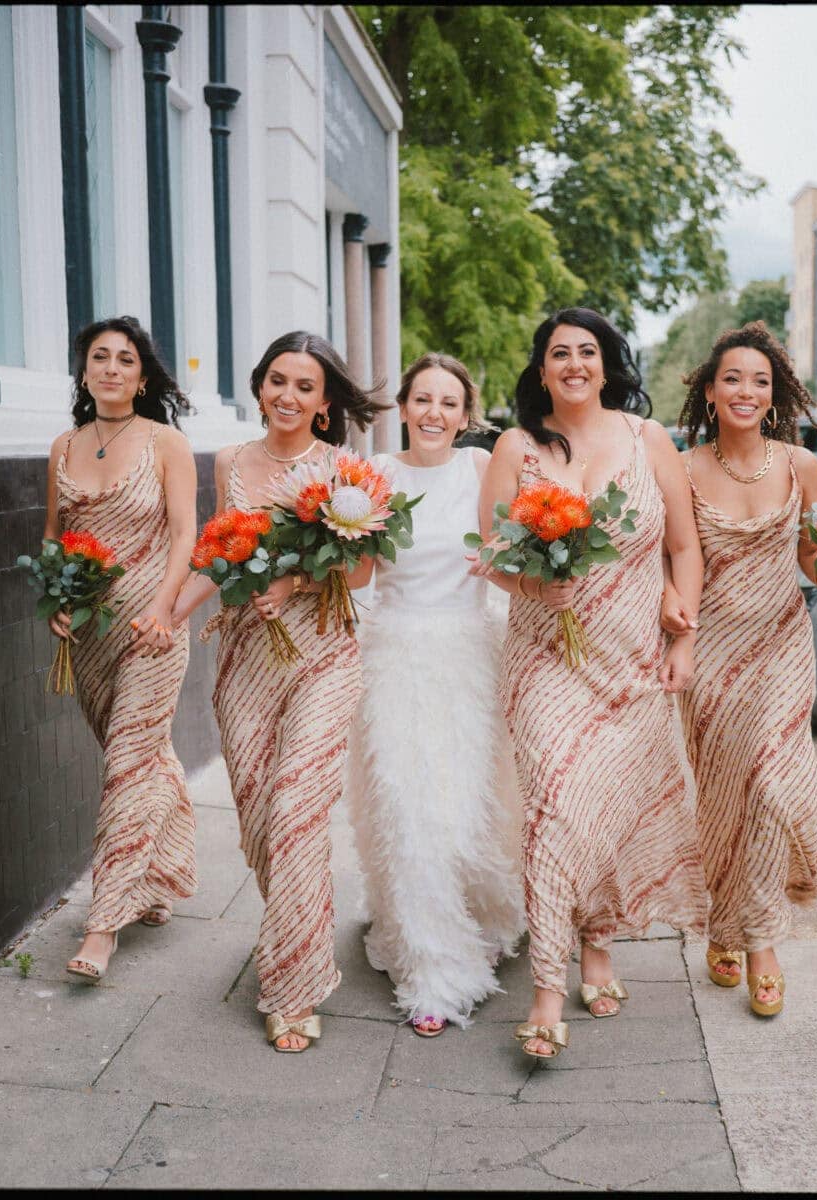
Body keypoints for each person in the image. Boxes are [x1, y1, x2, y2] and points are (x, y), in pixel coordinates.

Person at [473, 307, 710, 1059]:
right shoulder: (516, 446)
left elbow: (683, 546)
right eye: (557, 354)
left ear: (607, 364)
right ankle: (547, 989)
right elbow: (490, 554)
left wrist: (685, 628)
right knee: (553, 804)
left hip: (632, 657)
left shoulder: (649, 440)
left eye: (587, 351)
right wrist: (540, 591)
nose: (573, 364)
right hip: (546, 658)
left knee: (600, 806)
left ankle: (597, 939)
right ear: (540, 371)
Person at [172, 331, 384, 1053]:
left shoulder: (344, 471)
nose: (287, 396)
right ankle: (300, 932)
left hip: (323, 651)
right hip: (242, 657)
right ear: (259, 386)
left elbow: (360, 574)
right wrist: (165, 615)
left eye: (304, 386)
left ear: (325, 404)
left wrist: (293, 581)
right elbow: (215, 552)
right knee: (262, 814)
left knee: (297, 809)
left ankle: (293, 989)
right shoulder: (231, 461)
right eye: (277, 381)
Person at [343, 353, 525, 1038]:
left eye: (449, 403)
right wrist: (340, 535)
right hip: (393, 658)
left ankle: (474, 916)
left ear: (465, 413)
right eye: (423, 399)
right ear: (404, 404)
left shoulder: (481, 471)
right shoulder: (376, 477)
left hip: (469, 658)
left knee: (463, 814)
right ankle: (432, 972)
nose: (434, 414)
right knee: (409, 814)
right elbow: (361, 575)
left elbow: (507, 558)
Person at [661, 320, 817, 1018]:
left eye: (759, 381)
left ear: (775, 395)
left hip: (783, 645)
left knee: (767, 779)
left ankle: (761, 944)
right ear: (709, 391)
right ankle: (723, 925)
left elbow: (812, 560)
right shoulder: (682, 467)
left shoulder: (801, 466)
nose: (745, 390)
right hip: (713, 650)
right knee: (725, 798)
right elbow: (671, 556)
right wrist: (673, 613)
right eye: (732, 378)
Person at [49, 316, 199, 982]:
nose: (111, 368)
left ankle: (103, 924)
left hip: (153, 627)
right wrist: (56, 599)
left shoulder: (167, 443)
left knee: (129, 766)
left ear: (143, 377)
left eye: (125, 359)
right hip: (89, 632)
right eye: (100, 357)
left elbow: (185, 535)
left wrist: (165, 609)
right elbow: (55, 538)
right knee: (136, 756)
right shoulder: (63, 444)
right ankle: (162, 872)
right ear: (84, 372)